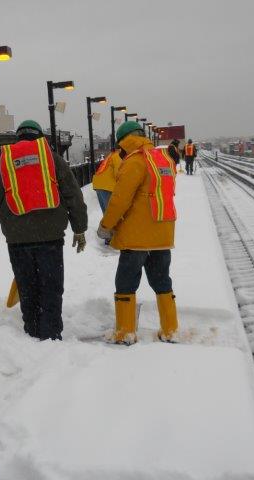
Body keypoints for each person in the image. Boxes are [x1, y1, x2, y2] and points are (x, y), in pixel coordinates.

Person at [0, 120, 88, 341]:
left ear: (18, 138)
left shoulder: (5, 162)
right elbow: (73, 196)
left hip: (17, 239)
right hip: (50, 237)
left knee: (28, 287)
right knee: (51, 288)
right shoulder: (53, 159)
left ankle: (31, 333)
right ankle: (51, 334)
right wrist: (79, 229)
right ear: (41, 137)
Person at [97, 121, 178, 345]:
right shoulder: (165, 159)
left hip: (137, 238)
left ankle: (125, 332)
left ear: (124, 142)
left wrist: (106, 226)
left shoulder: (135, 161)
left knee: (125, 283)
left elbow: (120, 200)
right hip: (163, 234)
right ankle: (170, 329)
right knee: (162, 281)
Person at [92, 148, 123, 214]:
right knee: (111, 214)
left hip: (99, 184)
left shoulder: (112, 155)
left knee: (106, 214)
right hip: (106, 186)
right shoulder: (118, 156)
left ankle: (106, 223)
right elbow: (118, 174)